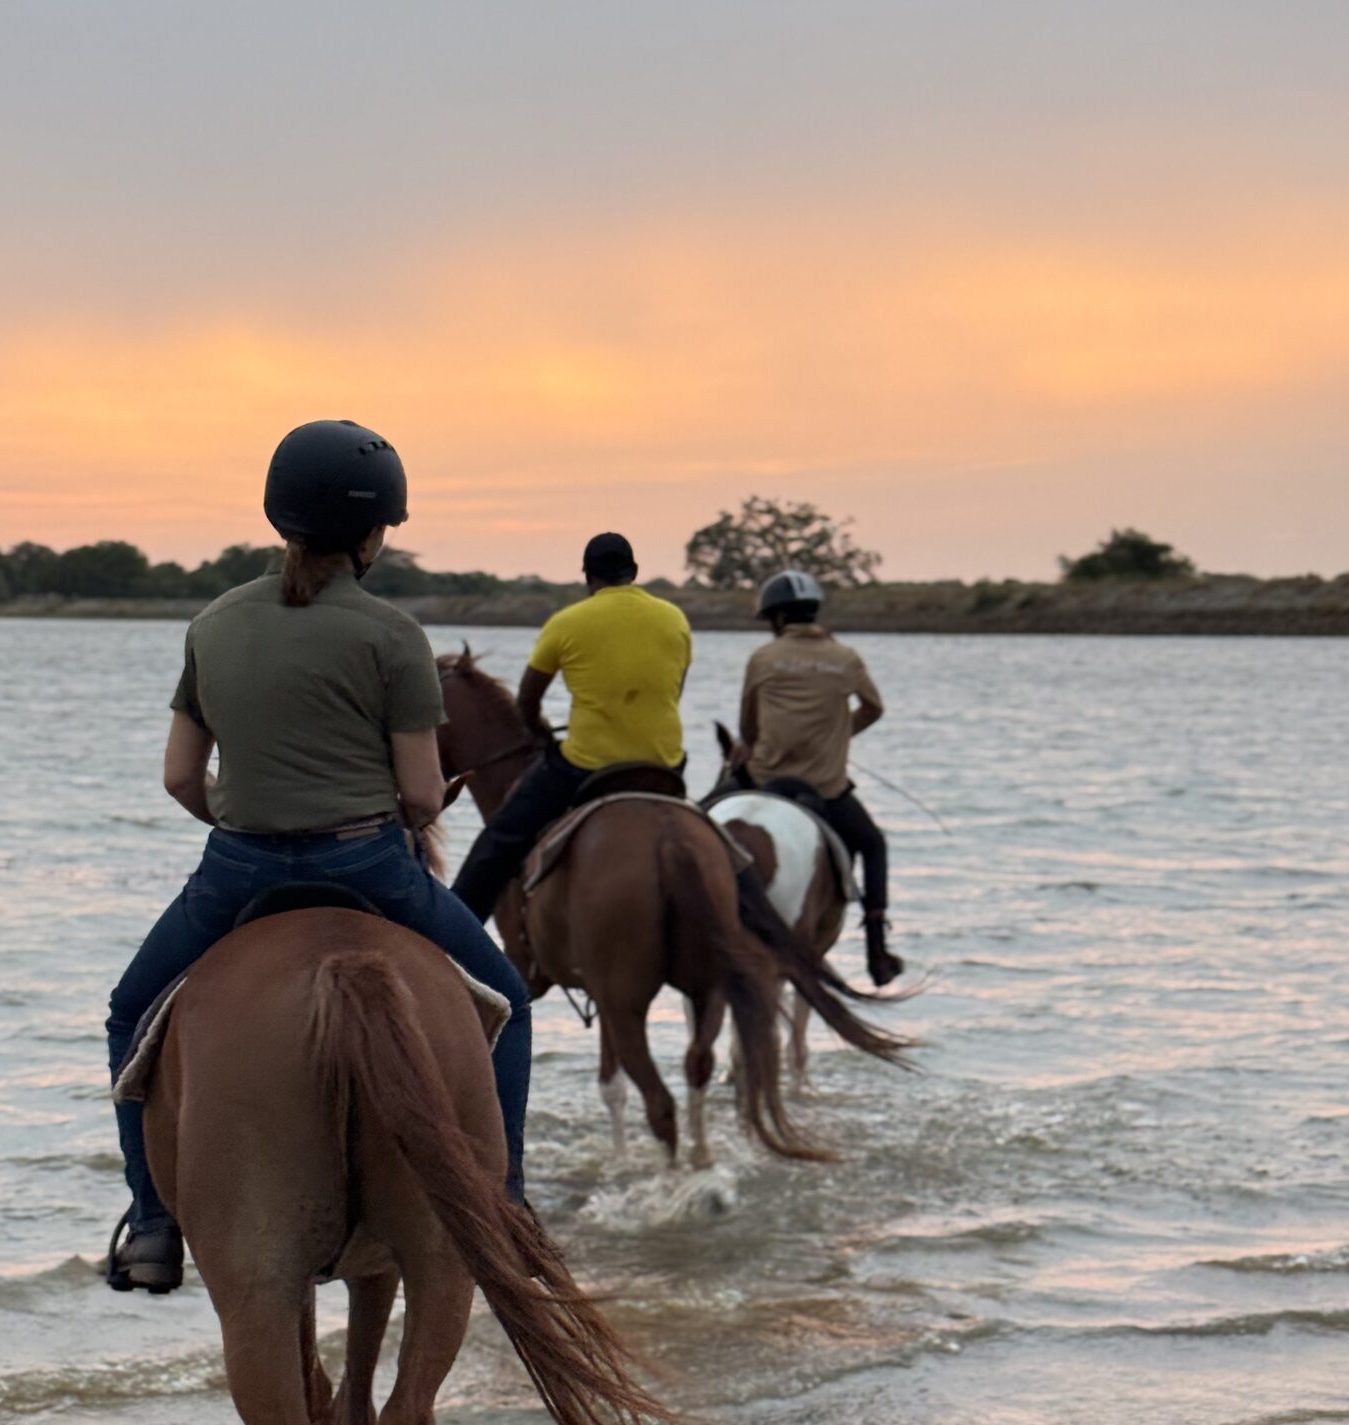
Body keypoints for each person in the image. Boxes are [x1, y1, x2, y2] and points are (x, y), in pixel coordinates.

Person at [104, 420, 532, 1293]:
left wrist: (245, 814)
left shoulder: (213, 624)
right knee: (510, 1002)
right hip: (368, 864)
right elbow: (422, 798)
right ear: (374, 533)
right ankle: (508, 1202)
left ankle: (151, 1222)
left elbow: (181, 778)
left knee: (130, 1013)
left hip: (238, 870)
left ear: (280, 518)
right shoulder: (393, 635)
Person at [451, 533, 692, 920]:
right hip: (665, 764)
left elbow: (527, 701)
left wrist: (539, 731)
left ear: (588, 577)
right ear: (633, 572)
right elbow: (672, 692)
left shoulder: (567, 622)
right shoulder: (674, 618)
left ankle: (452, 931)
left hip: (587, 766)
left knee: (499, 841)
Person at [731, 569, 903, 986]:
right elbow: (874, 707)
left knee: (701, 820)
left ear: (777, 618)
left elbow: (748, 728)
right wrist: (839, 735)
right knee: (873, 844)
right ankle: (876, 949)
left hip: (764, 778)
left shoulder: (763, 658)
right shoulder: (845, 658)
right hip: (826, 789)